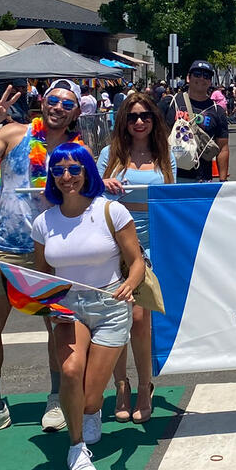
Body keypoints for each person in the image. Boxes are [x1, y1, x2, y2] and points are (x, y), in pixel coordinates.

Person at [0, 79, 86, 441]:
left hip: (53, 251)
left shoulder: (78, 149)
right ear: (42, 103)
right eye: (53, 100)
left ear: (76, 112)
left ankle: (58, 399)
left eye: (66, 103)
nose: (58, 107)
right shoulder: (14, 134)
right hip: (8, 248)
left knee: (57, 328)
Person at [32, 142, 143, 470]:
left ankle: (91, 411)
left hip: (110, 304)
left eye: (74, 169)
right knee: (70, 372)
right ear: (52, 175)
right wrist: (45, 304)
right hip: (67, 307)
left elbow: (136, 261)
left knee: (92, 394)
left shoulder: (111, 211)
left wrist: (129, 285)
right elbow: (41, 275)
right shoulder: (43, 221)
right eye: (59, 170)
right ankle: (76, 446)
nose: (67, 177)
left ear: (87, 172)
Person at [97, 94, 174, 425]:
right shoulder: (108, 155)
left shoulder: (164, 155)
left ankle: (145, 387)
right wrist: (102, 183)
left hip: (151, 244)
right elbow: (86, 191)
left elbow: (172, 196)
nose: (139, 122)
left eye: (145, 116)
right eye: (132, 117)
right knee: (117, 319)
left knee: (141, 320)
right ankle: (121, 385)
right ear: (123, 122)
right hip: (114, 243)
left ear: (154, 120)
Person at [165, 60, 229, 183]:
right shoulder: (172, 102)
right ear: (188, 78)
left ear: (210, 81)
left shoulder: (217, 111)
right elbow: (158, 137)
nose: (201, 78)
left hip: (202, 179)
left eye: (206, 76)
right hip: (172, 177)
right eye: (197, 74)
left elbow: (223, 148)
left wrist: (223, 180)